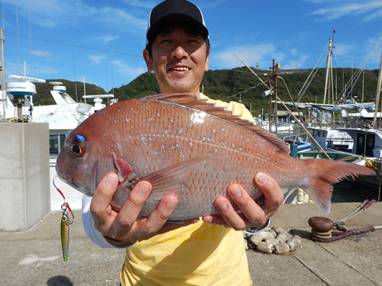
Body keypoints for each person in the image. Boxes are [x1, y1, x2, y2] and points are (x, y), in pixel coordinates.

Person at [82, 0, 283, 285]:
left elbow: (258, 208)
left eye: (191, 42)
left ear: (207, 56)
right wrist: (111, 234)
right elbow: (93, 217)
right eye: (166, 42)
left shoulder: (237, 117)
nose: (179, 53)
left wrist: (262, 219)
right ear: (148, 58)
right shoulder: (121, 121)